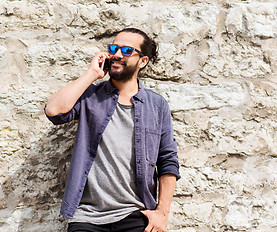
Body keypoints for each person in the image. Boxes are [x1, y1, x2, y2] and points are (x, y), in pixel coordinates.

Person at [44, 28, 180, 232]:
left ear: (142, 61)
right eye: (114, 48)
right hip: (88, 216)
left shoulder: (157, 105)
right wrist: (92, 74)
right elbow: (54, 111)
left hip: (136, 214)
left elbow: (167, 160)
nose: (116, 54)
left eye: (126, 50)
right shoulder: (90, 96)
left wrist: (162, 213)